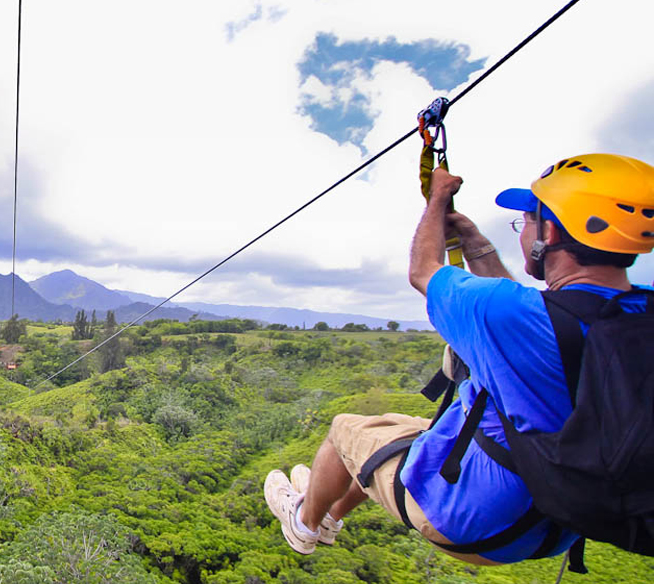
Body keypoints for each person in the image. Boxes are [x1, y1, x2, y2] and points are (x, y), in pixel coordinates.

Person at [264, 153, 654, 563]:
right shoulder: (636, 313)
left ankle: (304, 522)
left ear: (550, 234)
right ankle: (330, 513)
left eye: (528, 222)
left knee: (345, 429)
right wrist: (474, 242)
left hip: (477, 519)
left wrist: (436, 200)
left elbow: (424, 271)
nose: (523, 232)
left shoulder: (509, 311)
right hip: (558, 521)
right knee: (397, 427)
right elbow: (540, 316)